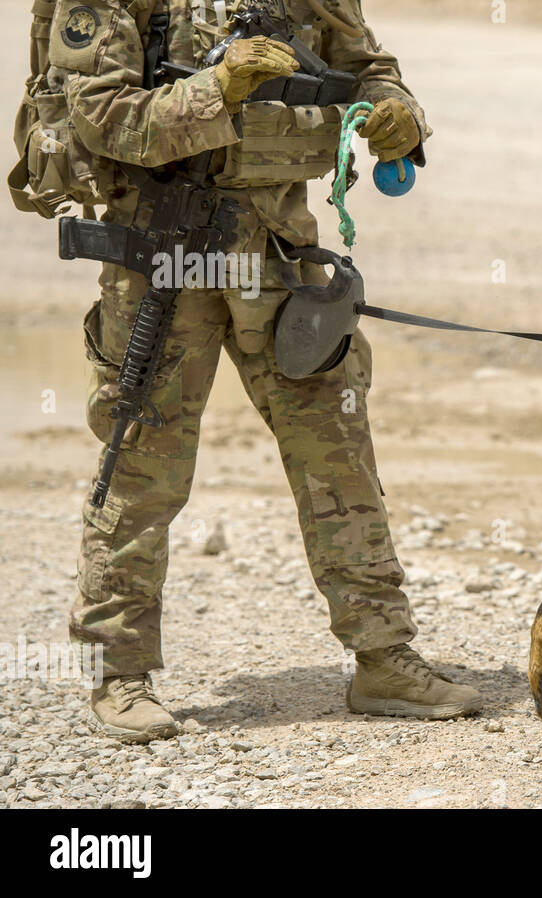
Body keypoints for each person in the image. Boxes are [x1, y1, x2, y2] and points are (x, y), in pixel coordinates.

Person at [46, 0, 481, 742]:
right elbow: (101, 117)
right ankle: (118, 674)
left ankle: (383, 657)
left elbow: (368, 70)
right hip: (161, 254)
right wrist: (219, 89)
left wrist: (397, 115)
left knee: (336, 453)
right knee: (143, 469)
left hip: (277, 252)